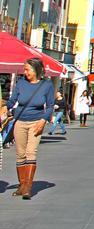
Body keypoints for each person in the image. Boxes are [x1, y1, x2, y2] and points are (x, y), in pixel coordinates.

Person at [4, 58, 55, 199]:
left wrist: (43, 120)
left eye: (27, 69)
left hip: (36, 122)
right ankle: (22, 185)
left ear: (36, 70)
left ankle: (28, 187)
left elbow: (50, 105)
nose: (25, 72)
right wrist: (5, 106)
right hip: (20, 121)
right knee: (20, 153)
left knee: (31, 152)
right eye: (24, 69)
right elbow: (13, 100)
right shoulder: (21, 84)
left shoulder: (47, 85)